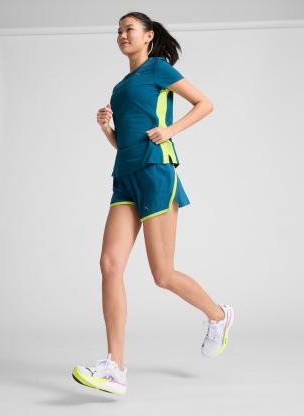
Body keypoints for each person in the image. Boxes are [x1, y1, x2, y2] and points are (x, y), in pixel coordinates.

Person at [72, 11, 234, 395]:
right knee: (109, 265)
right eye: (118, 31)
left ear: (147, 36)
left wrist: (171, 130)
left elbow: (204, 103)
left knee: (162, 275)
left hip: (156, 173)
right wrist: (107, 129)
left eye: (128, 29)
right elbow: (125, 143)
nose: (121, 35)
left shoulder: (158, 68)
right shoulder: (120, 87)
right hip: (125, 177)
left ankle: (218, 315)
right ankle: (115, 367)